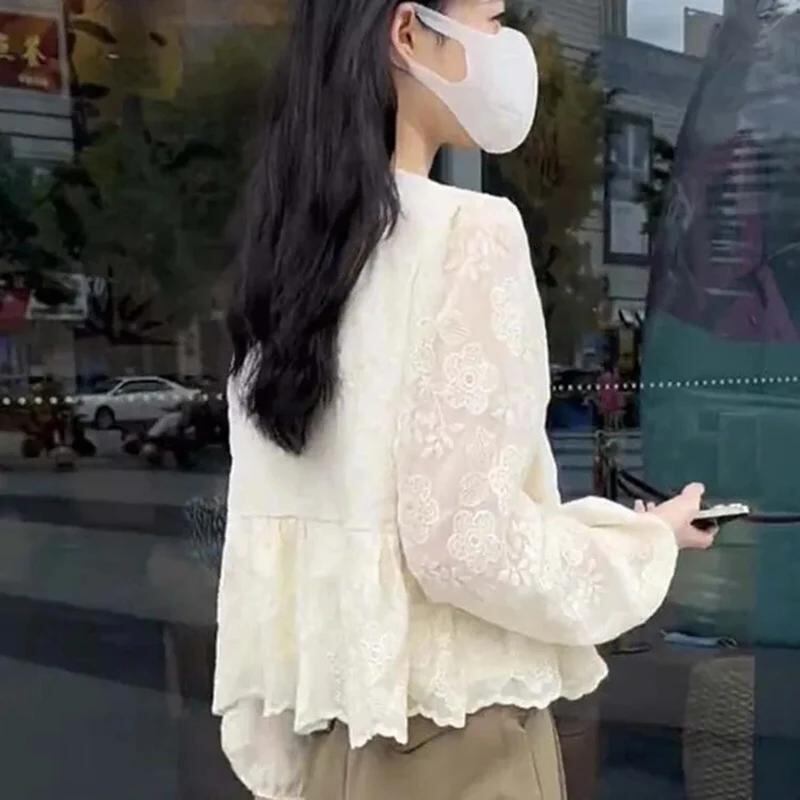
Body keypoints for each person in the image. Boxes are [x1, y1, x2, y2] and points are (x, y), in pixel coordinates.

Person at [216, 2, 716, 799]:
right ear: (408, 33)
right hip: (459, 747)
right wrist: (646, 545)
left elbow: (281, 537)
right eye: (489, 20)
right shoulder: (467, 233)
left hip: (330, 743)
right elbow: (464, 542)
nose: (504, 46)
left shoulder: (284, 262)